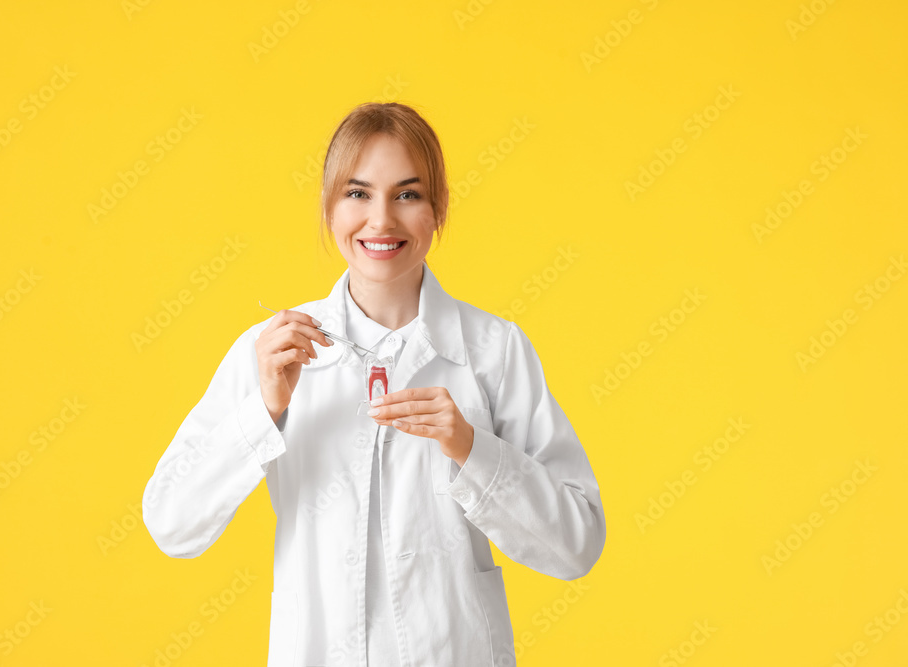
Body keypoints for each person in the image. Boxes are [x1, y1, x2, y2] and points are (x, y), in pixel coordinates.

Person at [142, 102, 605, 667]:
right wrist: (264, 411)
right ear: (330, 209)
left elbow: (576, 544)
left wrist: (471, 447)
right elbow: (172, 525)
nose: (381, 221)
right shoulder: (272, 353)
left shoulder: (493, 351)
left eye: (407, 194)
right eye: (357, 194)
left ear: (437, 211)